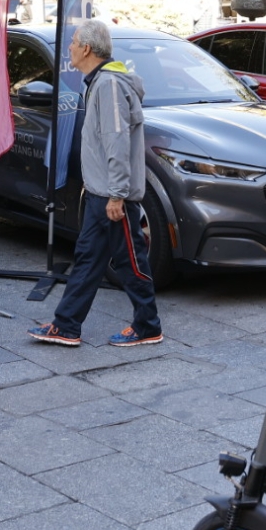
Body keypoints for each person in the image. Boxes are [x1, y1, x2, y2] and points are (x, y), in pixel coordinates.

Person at [29, 19, 163, 348]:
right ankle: (67, 325)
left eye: (74, 43)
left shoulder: (109, 85)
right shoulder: (100, 82)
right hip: (101, 195)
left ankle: (148, 325)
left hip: (112, 198)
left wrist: (116, 195)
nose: (71, 48)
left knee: (131, 263)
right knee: (89, 260)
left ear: (87, 49)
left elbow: (116, 142)